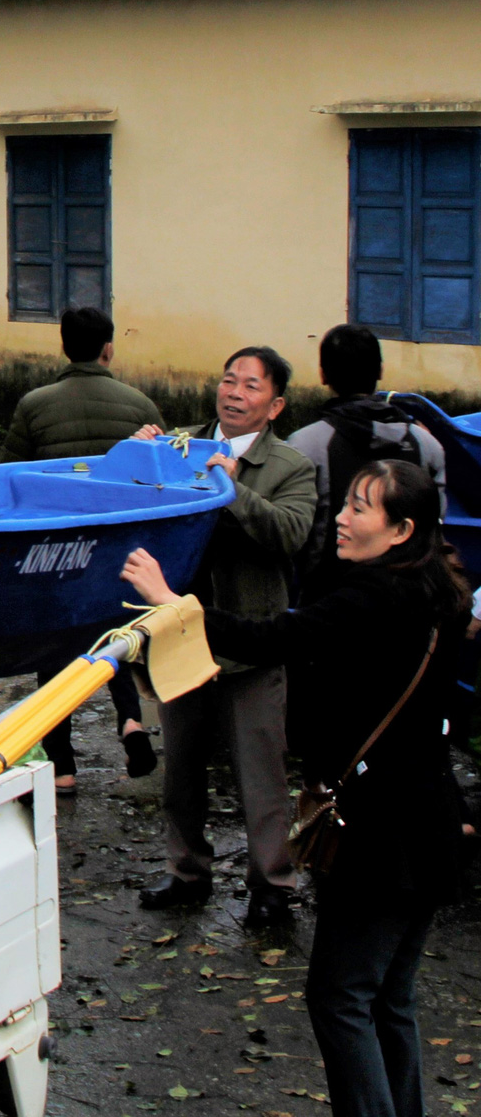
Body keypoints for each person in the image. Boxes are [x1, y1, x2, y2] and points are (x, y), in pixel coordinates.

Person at [123, 460, 466, 1117]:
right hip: (430, 819)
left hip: (382, 833)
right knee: (388, 996)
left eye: (362, 508)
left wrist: (174, 605)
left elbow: (274, 635)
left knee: (339, 997)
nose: (342, 516)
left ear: (401, 529)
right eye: (347, 503)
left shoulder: (373, 598)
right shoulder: (436, 587)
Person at [133, 346, 316, 927]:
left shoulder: (290, 466)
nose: (235, 393)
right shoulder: (180, 444)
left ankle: (272, 884)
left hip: (251, 641)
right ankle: (187, 872)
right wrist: (136, 459)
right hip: (182, 631)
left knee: (260, 772)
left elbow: (290, 534)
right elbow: (133, 506)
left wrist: (236, 489)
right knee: (181, 766)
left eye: (252, 386)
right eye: (228, 380)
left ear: (275, 405)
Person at [3, 306, 165, 789]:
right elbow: (162, 472)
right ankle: (131, 721)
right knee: (109, 629)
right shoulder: (139, 405)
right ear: (108, 348)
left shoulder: (34, 404)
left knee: (53, 645)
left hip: (53, 544)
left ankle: (63, 769)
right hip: (114, 540)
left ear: (63, 345)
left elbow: (9, 476)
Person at [287, 324, 446, 581]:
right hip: (409, 598)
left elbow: (294, 535)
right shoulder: (425, 444)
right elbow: (435, 526)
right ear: (380, 370)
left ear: (323, 375)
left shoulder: (304, 444)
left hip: (325, 600)